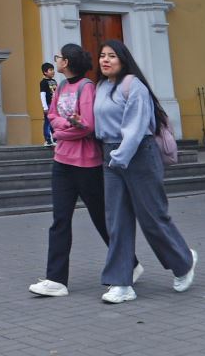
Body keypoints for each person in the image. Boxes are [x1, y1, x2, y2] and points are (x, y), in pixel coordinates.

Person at [28, 44, 143, 297]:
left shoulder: (86, 87)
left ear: (66, 62)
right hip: (62, 162)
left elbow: (88, 125)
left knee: (102, 219)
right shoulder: (61, 87)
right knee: (60, 220)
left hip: (87, 164)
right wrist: (63, 128)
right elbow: (53, 116)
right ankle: (56, 280)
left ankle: (130, 263)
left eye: (58, 57)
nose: (56, 60)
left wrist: (62, 130)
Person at [93, 39, 196, 304]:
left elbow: (136, 127)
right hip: (112, 157)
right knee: (116, 221)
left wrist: (119, 157)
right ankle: (121, 283)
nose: (105, 60)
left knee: (152, 217)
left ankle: (183, 262)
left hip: (138, 154)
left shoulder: (133, 86)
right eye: (102, 56)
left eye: (112, 56)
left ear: (123, 59)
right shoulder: (101, 87)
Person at [37, 62, 58, 146]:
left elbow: (57, 93)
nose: (53, 72)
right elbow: (42, 94)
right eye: (51, 70)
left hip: (55, 105)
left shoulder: (54, 81)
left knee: (54, 122)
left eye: (53, 70)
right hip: (48, 105)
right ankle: (48, 139)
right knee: (48, 122)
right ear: (45, 72)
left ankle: (55, 138)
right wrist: (45, 107)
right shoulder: (43, 82)